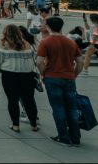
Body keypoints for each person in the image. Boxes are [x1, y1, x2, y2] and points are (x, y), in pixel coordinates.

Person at [36, 16, 83, 147]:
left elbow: (39, 61)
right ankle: (76, 136)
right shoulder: (71, 42)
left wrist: (43, 73)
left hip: (52, 77)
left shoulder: (45, 42)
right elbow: (80, 62)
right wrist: (74, 75)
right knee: (71, 108)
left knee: (58, 108)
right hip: (68, 78)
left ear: (48, 27)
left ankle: (63, 136)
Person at [0, 25, 39, 133]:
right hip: (27, 75)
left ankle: (15, 125)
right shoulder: (27, 44)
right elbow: (34, 58)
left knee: (12, 100)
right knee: (29, 100)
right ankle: (33, 124)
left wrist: (1, 68)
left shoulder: (4, 45)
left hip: (9, 75)